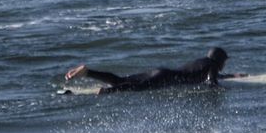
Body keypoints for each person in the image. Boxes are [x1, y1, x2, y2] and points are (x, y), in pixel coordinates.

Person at [65, 47, 236, 93]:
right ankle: (108, 92)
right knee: (136, 88)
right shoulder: (212, 66)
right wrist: (222, 90)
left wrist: (231, 76)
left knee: (122, 79)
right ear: (219, 60)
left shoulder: (203, 62)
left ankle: (88, 73)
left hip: (161, 72)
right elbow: (211, 82)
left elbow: (210, 76)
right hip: (164, 79)